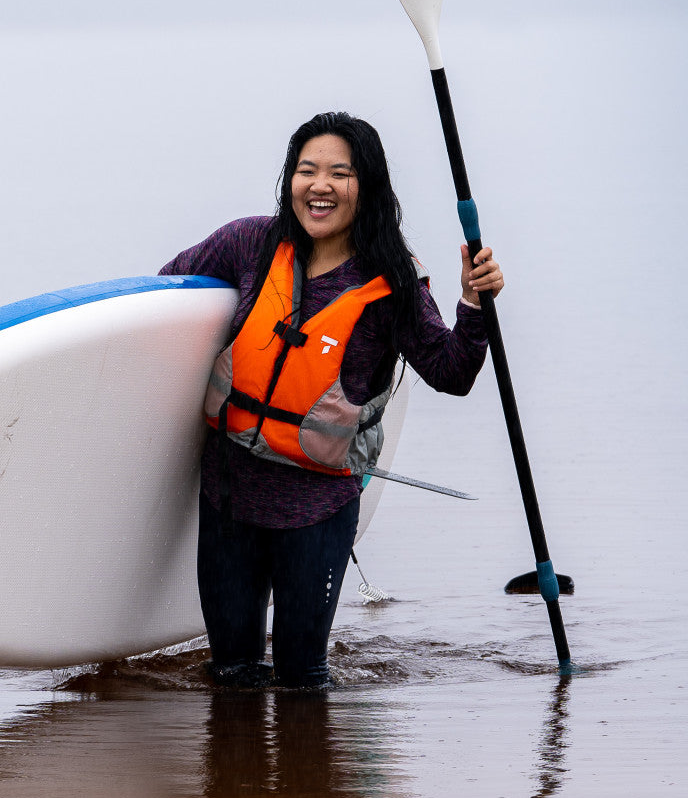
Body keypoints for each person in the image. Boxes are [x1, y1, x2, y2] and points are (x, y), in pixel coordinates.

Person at [159, 112, 503, 690]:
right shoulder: (248, 243)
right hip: (228, 497)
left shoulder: (391, 281)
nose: (319, 185)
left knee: (301, 683)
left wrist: (473, 306)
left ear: (366, 187)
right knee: (230, 676)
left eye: (338, 174)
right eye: (305, 170)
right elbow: (165, 296)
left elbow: (451, 372)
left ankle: (308, 781)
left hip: (315, 509)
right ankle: (235, 782)